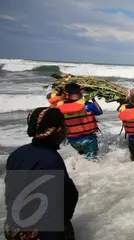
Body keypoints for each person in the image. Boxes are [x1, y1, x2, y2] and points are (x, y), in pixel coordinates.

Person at [4, 107, 78, 240]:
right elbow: (51, 210)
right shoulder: (51, 160)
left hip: (13, 228)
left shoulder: (17, 154)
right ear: (60, 130)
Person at [57, 82, 103, 160]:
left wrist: (64, 93)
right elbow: (99, 112)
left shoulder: (60, 107)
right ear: (81, 92)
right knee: (92, 160)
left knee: (82, 157)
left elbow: (59, 103)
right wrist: (93, 99)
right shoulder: (88, 105)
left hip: (72, 140)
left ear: (67, 93)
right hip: (88, 139)